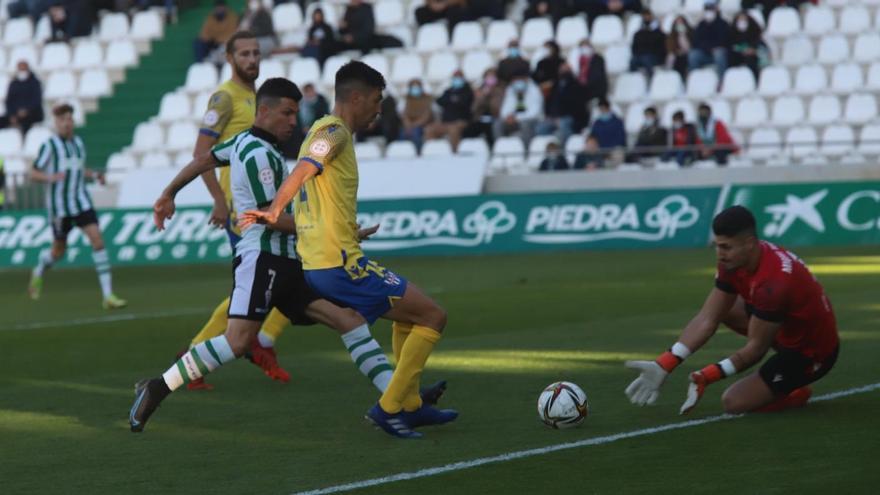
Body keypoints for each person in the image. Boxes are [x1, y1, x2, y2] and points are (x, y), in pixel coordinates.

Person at [129, 78, 436, 433]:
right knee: (238, 341)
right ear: (263, 111)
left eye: (296, 113)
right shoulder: (259, 154)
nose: (293, 121)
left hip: (289, 262)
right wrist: (338, 232)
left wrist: (169, 193)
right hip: (263, 260)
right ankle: (158, 387)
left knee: (349, 319)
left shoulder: (246, 143)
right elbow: (273, 220)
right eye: (287, 113)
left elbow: (202, 160)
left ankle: (396, 398)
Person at [241, 61, 459, 439]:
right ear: (355, 98)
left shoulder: (324, 131)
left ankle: (410, 406)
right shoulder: (332, 131)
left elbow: (315, 197)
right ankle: (390, 409)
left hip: (329, 260)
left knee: (411, 317)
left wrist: (348, 231)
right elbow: (305, 168)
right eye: (376, 100)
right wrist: (276, 208)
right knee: (433, 316)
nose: (379, 108)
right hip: (340, 265)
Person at [624, 206, 839, 415]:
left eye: (726, 247)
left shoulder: (774, 285)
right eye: (717, 246)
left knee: (733, 402)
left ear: (749, 244)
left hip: (811, 352)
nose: (720, 254)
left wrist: (707, 375)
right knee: (726, 309)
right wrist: (664, 364)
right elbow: (708, 317)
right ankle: (776, 379)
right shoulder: (735, 261)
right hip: (784, 327)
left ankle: (792, 391)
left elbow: (756, 349)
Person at [183, 30, 292, 389]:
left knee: (281, 276)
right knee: (263, 281)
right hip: (244, 211)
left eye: (256, 53)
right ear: (229, 58)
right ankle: (200, 354)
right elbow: (202, 155)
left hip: (265, 205)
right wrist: (219, 199)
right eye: (244, 54)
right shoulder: (225, 99)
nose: (252, 60)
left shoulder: (259, 98)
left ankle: (255, 342)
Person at [27, 104, 126, 309]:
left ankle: (108, 296)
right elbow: (33, 173)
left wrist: (94, 175)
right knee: (58, 251)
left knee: (97, 240)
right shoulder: (50, 146)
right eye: (63, 119)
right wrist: (50, 177)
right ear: (56, 122)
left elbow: (78, 169)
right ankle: (39, 270)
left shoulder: (78, 143)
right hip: (59, 208)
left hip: (81, 201)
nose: (67, 123)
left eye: (70, 119)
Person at [536, 62, 588, 145]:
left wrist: (560, 118)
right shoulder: (555, 86)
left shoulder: (577, 87)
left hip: (570, 119)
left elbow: (579, 108)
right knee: (540, 129)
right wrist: (550, 116)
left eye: (566, 70)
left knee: (561, 131)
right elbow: (549, 103)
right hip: (554, 118)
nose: (563, 72)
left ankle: (560, 154)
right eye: (562, 70)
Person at [425, 70, 473, 152]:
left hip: (460, 121)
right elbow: (440, 101)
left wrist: (452, 100)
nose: (457, 80)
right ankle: (433, 152)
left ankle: (454, 153)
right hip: (446, 122)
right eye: (455, 77)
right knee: (429, 129)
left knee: (453, 130)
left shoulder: (467, 91)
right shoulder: (448, 91)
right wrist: (453, 100)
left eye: (459, 77)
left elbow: (464, 103)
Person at [495, 74, 543, 145]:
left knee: (525, 124)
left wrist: (516, 118)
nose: (518, 82)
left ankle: (526, 149)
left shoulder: (534, 90)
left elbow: (534, 113)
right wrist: (508, 116)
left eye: (520, 79)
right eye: (515, 79)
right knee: (497, 124)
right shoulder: (511, 90)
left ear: (526, 79)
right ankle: (500, 147)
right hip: (514, 120)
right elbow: (504, 110)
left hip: (532, 120)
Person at [689, 1, 730, 81]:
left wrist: (713, 47)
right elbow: (696, 41)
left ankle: (722, 81)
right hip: (705, 53)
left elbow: (723, 40)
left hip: (719, 53)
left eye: (711, 9)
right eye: (707, 10)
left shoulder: (723, 24)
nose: (709, 12)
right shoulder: (701, 25)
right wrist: (708, 48)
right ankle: (694, 80)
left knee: (719, 53)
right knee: (693, 55)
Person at [1, 61, 44, 134]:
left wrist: (26, 110)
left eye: (24, 69)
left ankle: (25, 143)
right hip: (15, 114)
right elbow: (9, 101)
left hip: (32, 114)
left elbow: (36, 100)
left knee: (25, 122)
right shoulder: (13, 83)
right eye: (20, 70)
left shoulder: (35, 82)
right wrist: (12, 114)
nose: (22, 72)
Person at [470, 68, 505, 145]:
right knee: (470, 129)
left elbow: (497, 108)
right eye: (488, 77)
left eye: (492, 77)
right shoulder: (479, 91)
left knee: (492, 128)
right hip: (481, 118)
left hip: (495, 118)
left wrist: (493, 94)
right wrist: (483, 96)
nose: (490, 79)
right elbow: (474, 109)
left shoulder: (501, 91)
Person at [729, 11, 766, 82]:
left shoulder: (754, 32)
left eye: (744, 20)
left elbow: (759, 46)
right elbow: (731, 46)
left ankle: (755, 81)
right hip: (737, 55)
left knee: (751, 60)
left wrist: (752, 50)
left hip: (752, 56)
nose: (742, 22)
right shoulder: (732, 32)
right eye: (740, 20)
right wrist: (741, 50)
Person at [630, 9, 666, 79]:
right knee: (633, 61)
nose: (646, 18)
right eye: (644, 16)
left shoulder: (659, 32)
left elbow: (661, 47)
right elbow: (634, 47)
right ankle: (633, 80)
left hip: (654, 56)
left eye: (648, 16)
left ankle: (651, 79)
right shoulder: (638, 33)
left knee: (646, 59)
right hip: (640, 55)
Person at [400, 79, 434, 151]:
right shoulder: (407, 99)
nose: (415, 89)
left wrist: (414, 125)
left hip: (422, 125)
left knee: (416, 133)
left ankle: (418, 153)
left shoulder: (427, 99)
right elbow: (404, 114)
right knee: (402, 133)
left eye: (417, 87)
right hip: (409, 125)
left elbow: (426, 115)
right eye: (413, 87)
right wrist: (408, 124)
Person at [666, 15, 692, 81]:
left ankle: (685, 79)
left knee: (686, 58)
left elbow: (690, 46)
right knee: (673, 58)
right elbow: (670, 47)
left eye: (681, 22)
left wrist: (683, 35)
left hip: (687, 53)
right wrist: (677, 51)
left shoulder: (691, 32)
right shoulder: (671, 35)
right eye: (678, 23)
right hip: (676, 54)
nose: (679, 24)